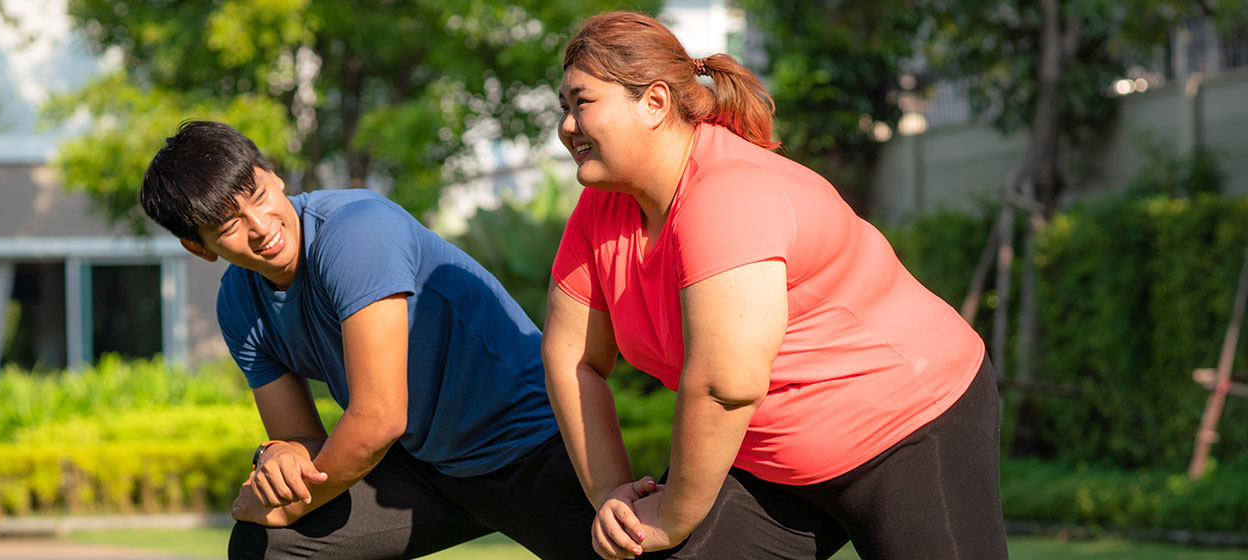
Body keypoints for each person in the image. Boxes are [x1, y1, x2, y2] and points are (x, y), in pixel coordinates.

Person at [542, 11, 1009, 560]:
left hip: (907, 426)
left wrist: (672, 518)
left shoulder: (728, 194)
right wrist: (612, 496)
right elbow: (572, 355)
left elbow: (726, 383)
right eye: (564, 108)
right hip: (766, 455)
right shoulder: (600, 211)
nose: (568, 126)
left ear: (655, 103)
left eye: (583, 103)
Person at [139, 120, 618, 559]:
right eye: (229, 225)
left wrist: (289, 506)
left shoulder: (357, 231)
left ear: (273, 175)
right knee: (268, 547)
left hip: (531, 447)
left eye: (258, 196)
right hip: (426, 471)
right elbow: (302, 436)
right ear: (199, 248)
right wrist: (278, 455)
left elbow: (380, 417)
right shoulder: (239, 305)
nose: (261, 228)